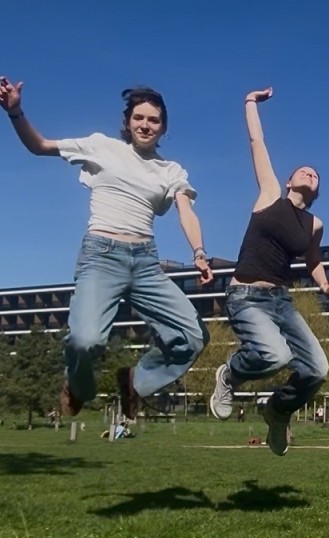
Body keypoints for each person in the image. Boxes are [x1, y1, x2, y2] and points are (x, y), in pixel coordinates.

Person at [0, 77, 212, 421]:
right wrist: (15, 112)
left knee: (193, 337)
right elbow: (39, 146)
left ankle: (136, 381)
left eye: (154, 120)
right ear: (127, 122)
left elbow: (185, 211)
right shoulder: (101, 146)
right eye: (139, 118)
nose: (145, 125)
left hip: (145, 263)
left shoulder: (171, 170)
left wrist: (199, 252)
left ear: (163, 127)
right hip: (101, 257)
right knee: (85, 341)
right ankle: (77, 386)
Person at [208, 87, 329, 457]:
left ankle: (277, 410)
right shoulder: (270, 193)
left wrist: (326, 287)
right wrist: (250, 102)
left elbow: (313, 259)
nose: (310, 173)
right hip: (245, 296)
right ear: (289, 182)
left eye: (315, 174)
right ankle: (230, 373)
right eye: (304, 170)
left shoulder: (315, 224)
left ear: (317, 191)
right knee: (275, 355)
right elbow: (257, 142)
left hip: (281, 301)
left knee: (317, 368)